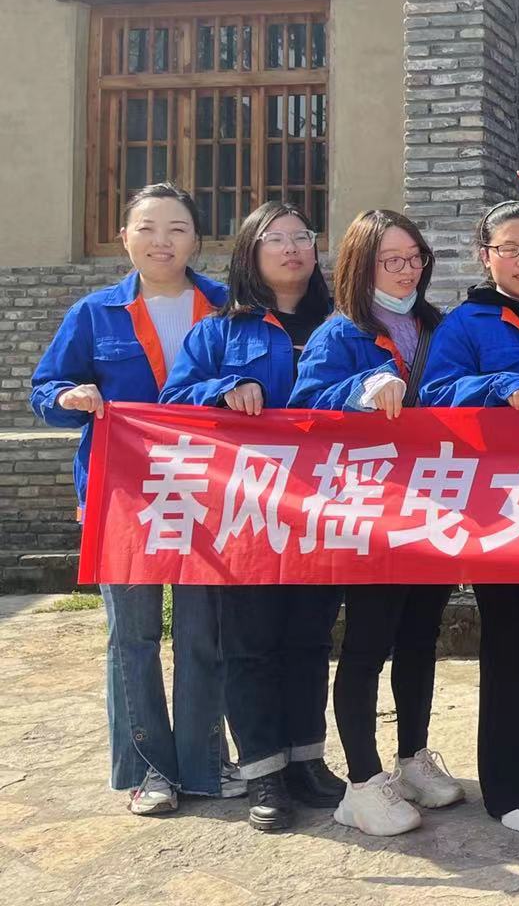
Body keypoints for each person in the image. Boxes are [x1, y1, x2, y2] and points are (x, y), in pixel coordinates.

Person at [30, 183, 230, 816]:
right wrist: (69, 399)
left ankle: (205, 762)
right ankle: (149, 770)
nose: (161, 241)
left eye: (177, 228)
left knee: (203, 633)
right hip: (122, 501)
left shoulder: (227, 307)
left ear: (197, 240)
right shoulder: (95, 313)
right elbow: (46, 389)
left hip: (208, 496)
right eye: (146, 228)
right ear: (125, 238)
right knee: (133, 637)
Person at [160, 201, 339, 834]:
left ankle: (307, 760)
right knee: (251, 644)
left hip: (322, 509)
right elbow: (173, 402)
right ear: (250, 254)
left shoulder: (340, 326)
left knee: (310, 639)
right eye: (275, 239)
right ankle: (264, 771)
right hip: (246, 514)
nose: (292, 249)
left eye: (302, 237)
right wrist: (221, 390)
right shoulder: (220, 332)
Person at [289, 209, 463, 837]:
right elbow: (306, 406)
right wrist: (362, 388)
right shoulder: (341, 333)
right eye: (391, 260)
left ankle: (413, 757)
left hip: (434, 505)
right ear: (362, 265)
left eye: (414, 257)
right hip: (372, 512)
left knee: (421, 636)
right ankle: (362, 784)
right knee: (367, 643)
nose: (406, 270)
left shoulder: (437, 324)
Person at [418, 200, 519, 834]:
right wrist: (493, 387)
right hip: (501, 504)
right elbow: (435, 395)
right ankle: (511, 786)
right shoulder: (467, 322)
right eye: (510, 248)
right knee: (510, 638)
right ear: (485, 256)